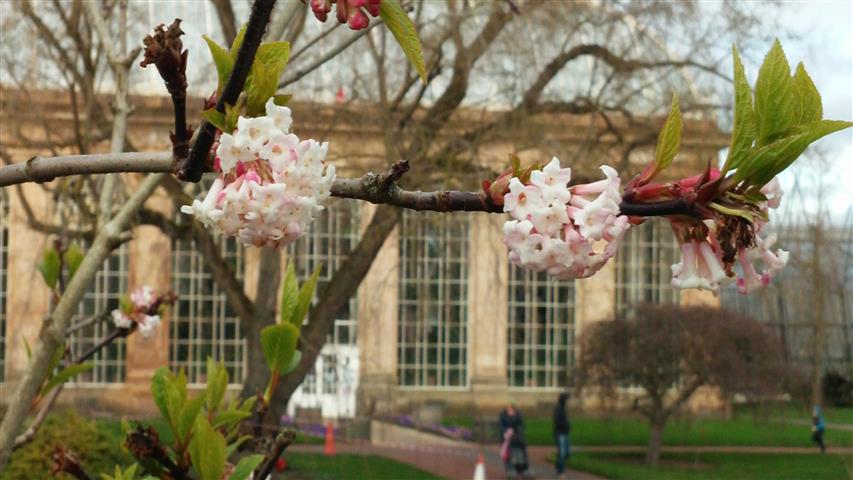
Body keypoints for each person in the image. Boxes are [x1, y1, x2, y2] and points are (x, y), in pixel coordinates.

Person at [499, 403, 528, 477]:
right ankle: (508, 469)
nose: (509, 408)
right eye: (508, 407)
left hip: (516, 437)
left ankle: (520, 469)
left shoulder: (518, 415)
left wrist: (517, 431)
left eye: (511, 407)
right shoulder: (503, 415)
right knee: (507, 453)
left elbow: (521, 425)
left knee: (519, 451)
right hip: (506, 438)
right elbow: (501, 426)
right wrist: (507, 430)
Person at [553, 393, 571, 477]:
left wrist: (568, 425)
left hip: (566, 433)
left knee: (567, 453)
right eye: (566, 400)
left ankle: (558, 465)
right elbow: (557, 421)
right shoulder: (558, 409)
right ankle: (561, 472)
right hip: (560, 434)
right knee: (562, 453)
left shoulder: (563, 408)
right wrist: (565, 424)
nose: (567, 402)